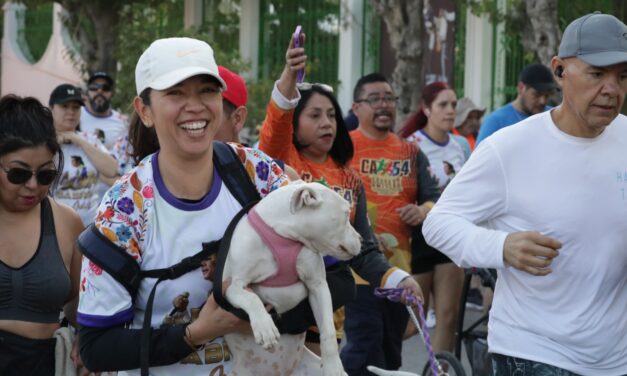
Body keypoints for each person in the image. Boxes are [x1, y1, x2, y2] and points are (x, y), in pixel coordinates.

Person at [423, 12, 627, 375]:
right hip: (533, 353)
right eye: (597, 74)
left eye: (622, 76)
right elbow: (438, 223)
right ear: (559, 70)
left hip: (614, 357)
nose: (612, 89)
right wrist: (501, 248)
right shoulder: (510, 147)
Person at [77, 37, 290, 375]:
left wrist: (268, 312)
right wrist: (197, 333)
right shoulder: (124, 208)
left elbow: (335, 278)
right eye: (175, 93)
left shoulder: (258, 175)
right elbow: (96, 348)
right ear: (144, 110)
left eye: (207, 90)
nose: (195, 106)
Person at [258, 36, 423, 355]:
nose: (327, 123)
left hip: (325, 317)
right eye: (315, 115)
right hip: (274, 312)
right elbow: (274, 129)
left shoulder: (350, 180)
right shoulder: (282, 161)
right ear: (296, 121)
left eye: (331, 116)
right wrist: (289, 80)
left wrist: (396, 278)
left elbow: (360, 248)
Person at [341, 73, 440, 375]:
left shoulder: (410, 152)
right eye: (374, 99)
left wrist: (422, 211)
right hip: (355, 268)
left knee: (391, 348)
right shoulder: (342, 150)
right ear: (356, 107)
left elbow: (435, 199)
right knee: (364, 342)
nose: (383, 105)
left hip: (398, 269)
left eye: (389, 98)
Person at [0, 95, 83, 375]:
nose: (33, 185)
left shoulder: (67, 222)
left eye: (46, 175)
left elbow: (79, 306)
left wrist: (84, 337)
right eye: (18, 174)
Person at [398, 81, 466, 354]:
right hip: (419, 236)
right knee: (413, 322)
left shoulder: (459, 146)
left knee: (449, 317)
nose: (450, 111)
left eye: (453, 105)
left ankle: (440, 371)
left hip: (451, 233)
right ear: (426, 109)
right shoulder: (410, 145)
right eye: (443, 105)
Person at [49, 84, 118, 225]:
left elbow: (112, 169)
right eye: (65, 106)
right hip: (54, 225)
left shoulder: (90, 139)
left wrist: (77, 139)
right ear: (51, 108)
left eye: (75, 107)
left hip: (89, 227)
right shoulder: (42, 141)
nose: (71, 112)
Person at [476, 63, 557, 145]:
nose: (542, 101)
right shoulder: (496, 121)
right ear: (521, 88)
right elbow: (480, 156)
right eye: (537, 94)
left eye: (547, 95)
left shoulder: (553, 117)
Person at [81, 71, 129, 150]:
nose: (100, 91)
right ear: (88, 92)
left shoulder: (123, 123)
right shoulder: (75, 115)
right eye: (94, 87)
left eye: (105, 88)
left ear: (111, 93)